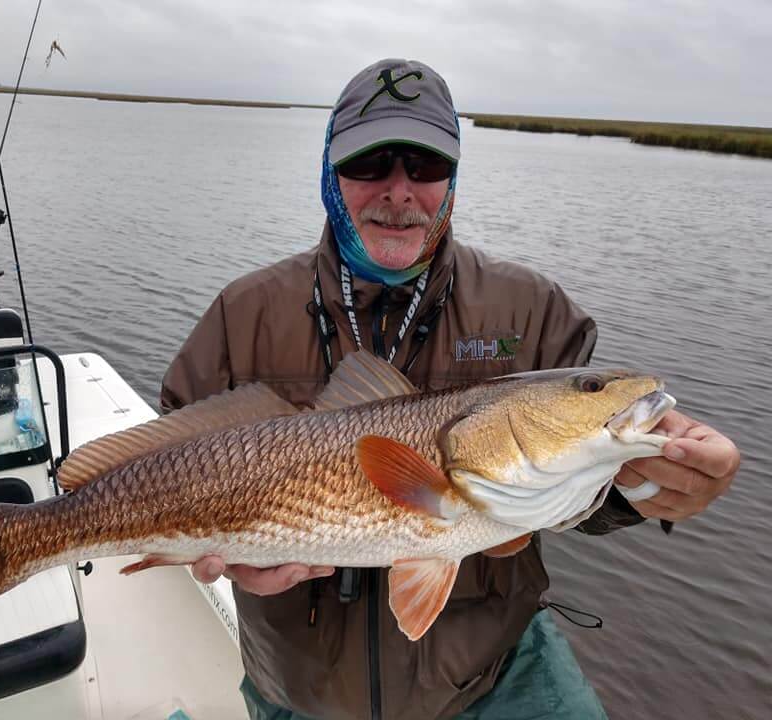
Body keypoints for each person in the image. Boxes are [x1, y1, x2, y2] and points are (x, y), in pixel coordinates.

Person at [160, 58, 740, 720]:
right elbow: (172, 454)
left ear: (454, 179)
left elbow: (577, 494)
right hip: (300, 683)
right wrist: (229, 557)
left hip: (491, 671)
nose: (400, 191)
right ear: (330, 171)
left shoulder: (533, 310)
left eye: (426, 166)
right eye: (371, 162)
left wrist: (644, 485)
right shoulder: (245, 312)